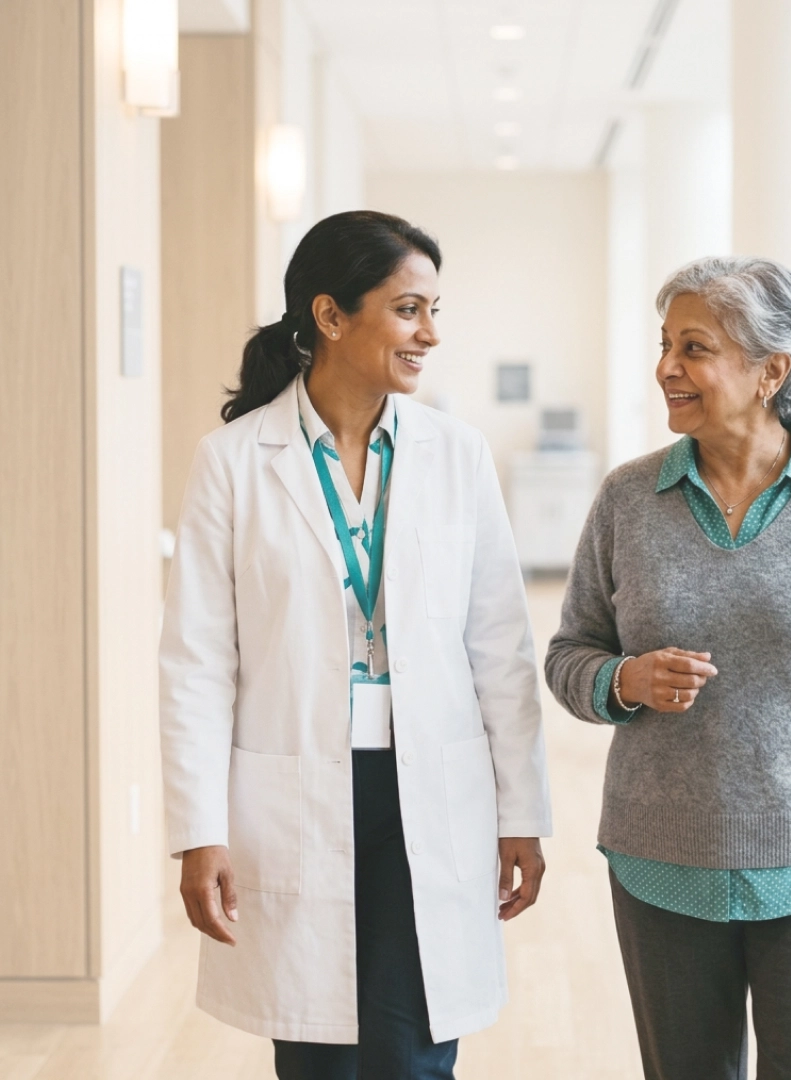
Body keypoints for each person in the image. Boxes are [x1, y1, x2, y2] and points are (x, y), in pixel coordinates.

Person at [160, 210, 552, 1080]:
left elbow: (500, 647)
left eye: (435, 311)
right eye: (410, 310)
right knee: (317, 1057)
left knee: (414, 1057)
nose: (431, 334)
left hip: (431, 787)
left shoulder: (457, 456)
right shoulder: (232, 461)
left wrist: (522, 813)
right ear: (331, 316)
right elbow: (195, 663)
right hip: (293, 790)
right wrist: (199, 830)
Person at [545, 256, 791, 1080]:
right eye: (665, 345)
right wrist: (624, 681)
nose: (665, 368)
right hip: (660, 861)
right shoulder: (627, 499)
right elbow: (567, 655)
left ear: (773, 371)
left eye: (693, 348)